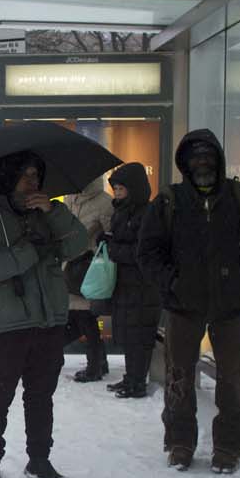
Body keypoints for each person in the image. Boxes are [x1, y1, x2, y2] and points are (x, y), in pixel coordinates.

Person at [0, 150, 91, 478]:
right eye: (25, 175)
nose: (32, 182)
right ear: (7, 177)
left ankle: (39, 460)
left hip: (46, 320)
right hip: (4, 325)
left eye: (36, 175)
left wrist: (53, 212)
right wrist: (29, 250)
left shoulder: (47, 213)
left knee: (40, 396)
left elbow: (78, 243)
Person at [138, 130, 240, 473]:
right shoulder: (168, 202)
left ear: (218, 160)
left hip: (232, 308)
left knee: (236, 380)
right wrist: (172, 283)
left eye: (208, 155)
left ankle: (229, 447)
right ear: (184, 164)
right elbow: (148, 252)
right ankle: (180, 443)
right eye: (195, 157)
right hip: (183, 307)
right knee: (179, 378)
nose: (202, 162)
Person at [103, 162, 162, 399]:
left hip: (142, 286)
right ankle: (131, 377)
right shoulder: (121, 212)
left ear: (134, 188)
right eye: (115, 189)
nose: (116, 193)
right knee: (128, 333)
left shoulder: (147, 214)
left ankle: (138, 381)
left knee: (139, 335)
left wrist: (112, 247)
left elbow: (141, 252)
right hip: (125, 284)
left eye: (121, 189)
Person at [64, 176, 114, 382]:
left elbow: (111, 234)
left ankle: (95, 366)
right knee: (79, 317)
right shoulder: (70, 198)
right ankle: (100, 362)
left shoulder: (104, 201)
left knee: (86, 317)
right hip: (69, 264)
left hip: (88, 267)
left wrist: (94, 238)